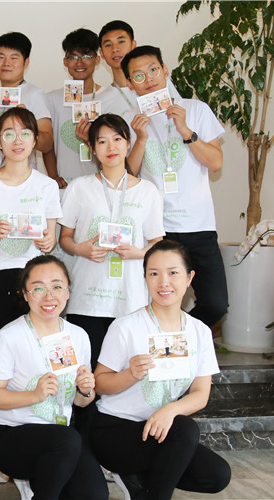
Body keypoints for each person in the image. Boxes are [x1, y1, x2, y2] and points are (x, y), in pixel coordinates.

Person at [91, 240, 231, 500]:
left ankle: (138, 480)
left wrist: (170, 409)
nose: (163, 282)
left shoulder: (199, 331)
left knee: (216, 474)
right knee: (185, 430)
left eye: (173, 272)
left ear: (189, 277)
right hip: (116, 431)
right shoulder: (126, 327)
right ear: (145, 277)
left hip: (162, 429)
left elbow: (201, 393)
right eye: (154, 273)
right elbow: (99, 383)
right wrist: (130, 374)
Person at [0, 255, 107, 500]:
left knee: (94, 494)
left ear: (68, 292)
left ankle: (39, 482)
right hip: (10, 432)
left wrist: (85, 390)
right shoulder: (8, 337)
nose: (49, 296)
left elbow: (81, 403)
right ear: (25, 295)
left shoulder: (78, 336)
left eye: (57, 287)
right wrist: (34, 395)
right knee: (68, 440)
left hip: (59, 437)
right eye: (38, 288)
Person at [123, 45, 228, 329]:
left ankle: (182, 336)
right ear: (130, 83)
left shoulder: (195, 109)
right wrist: (140, 138)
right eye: (139, 75)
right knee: (156, 301)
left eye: (153, 70)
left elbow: (216, 162)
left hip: (199, 225)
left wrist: (185, 130)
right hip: (157, 229)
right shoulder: (131, 119)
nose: (148, 78)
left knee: (216, 303)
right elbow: (128, 175)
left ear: (165, 70)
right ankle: (164, 342)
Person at [59, 114, 164, 369]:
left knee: (128, 371)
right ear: (93, 148)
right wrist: (81, 249)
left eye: (117, 139)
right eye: (102, 141)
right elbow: (64, 240)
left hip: (130, 298)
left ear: (128, 143)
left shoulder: (148, 191)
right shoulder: (79, 188)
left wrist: (138, 253)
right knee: (87, 372)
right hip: (88, 299)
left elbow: (158, 246)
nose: (111, 147)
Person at [0, 108, 61, 375]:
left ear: (35, 140)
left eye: (25, 133)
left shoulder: (47, 186)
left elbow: (51, 243)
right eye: (9, 134)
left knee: (33, 350)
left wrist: (47, 241)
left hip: (33, 279)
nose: (17, 140)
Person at [45, 28, 126, 188]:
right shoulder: (53, 99)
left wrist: (91, 139)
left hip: (104, 184)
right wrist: (53, 176)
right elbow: (49, 145)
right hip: (66, 185)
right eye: (73, 57)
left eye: (86, 56)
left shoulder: (112, 96)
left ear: (97, 60)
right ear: (65, 61)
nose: (79, 63)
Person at [0, 32, 54, 177]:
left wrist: (26, 123)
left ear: (26, 63)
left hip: (21, 178)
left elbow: (47, 144)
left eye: (14, 58)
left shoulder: (34, 94)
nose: (6, 63)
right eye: (1, 57)